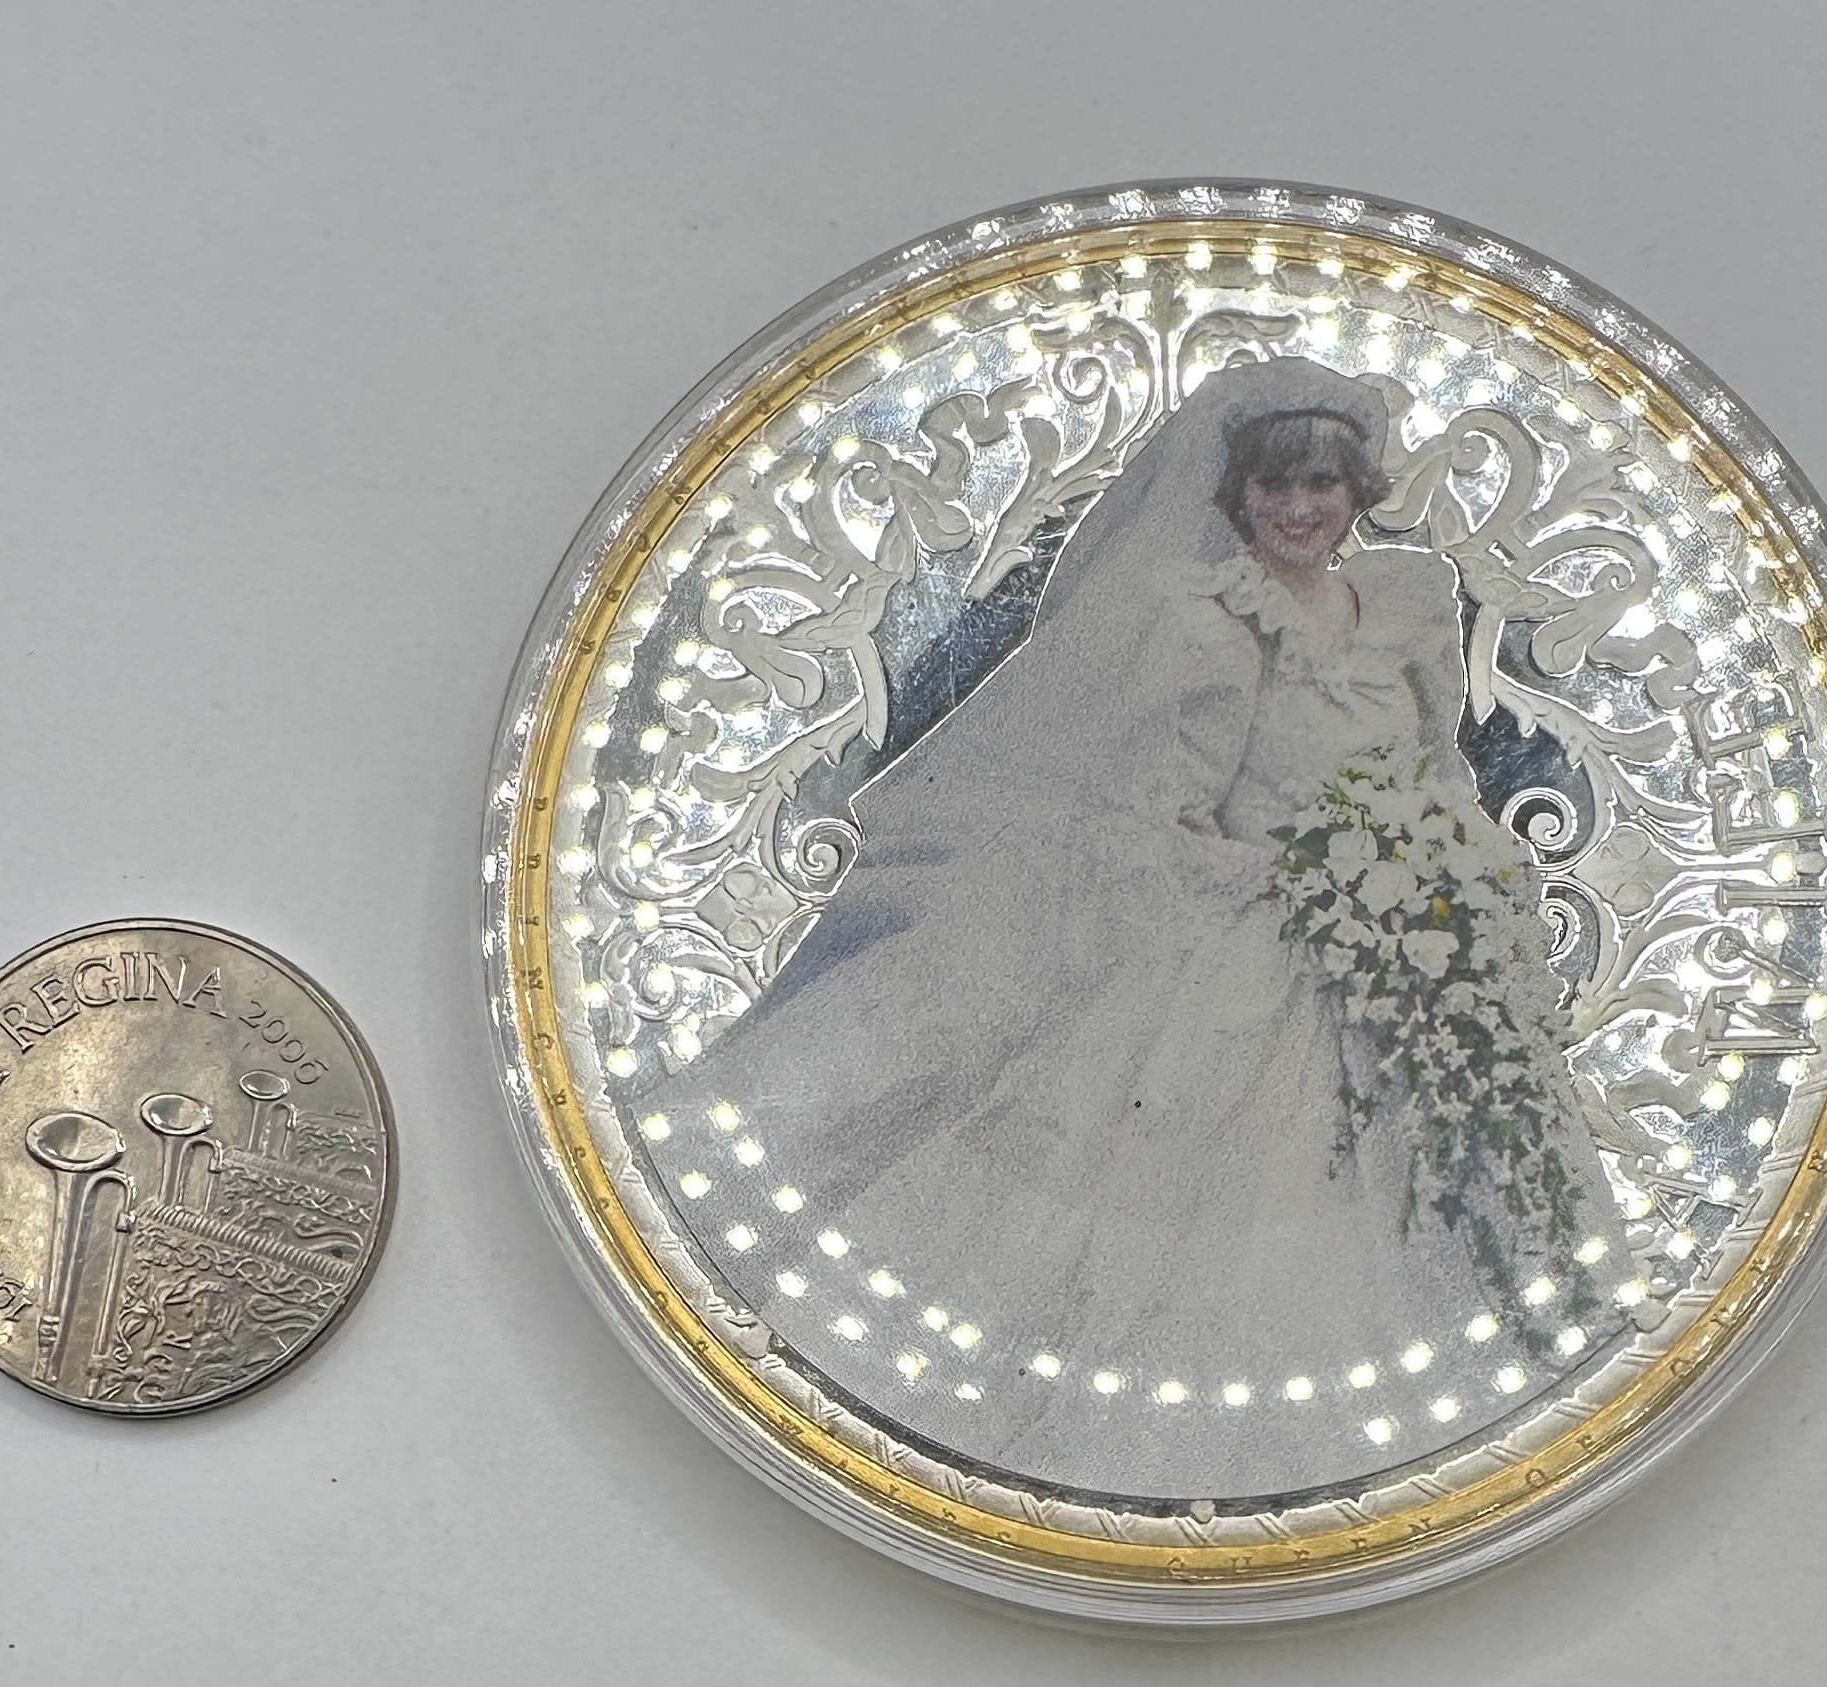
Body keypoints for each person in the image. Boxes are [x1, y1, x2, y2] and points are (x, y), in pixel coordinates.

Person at [643, 357, 1639, 1501]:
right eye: (1274, 485)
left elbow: (1435, 769)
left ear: (1356, 489)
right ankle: (1202, 1470)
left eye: (1320, 483)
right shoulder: (1200, 621)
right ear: (1236, 495)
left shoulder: (1407, 605)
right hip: (1258, 942)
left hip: (1409, 947)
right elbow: (1161, 820)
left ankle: (1458, 1444)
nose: (1298, 508)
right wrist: (1312, 881)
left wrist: (1449, 879)